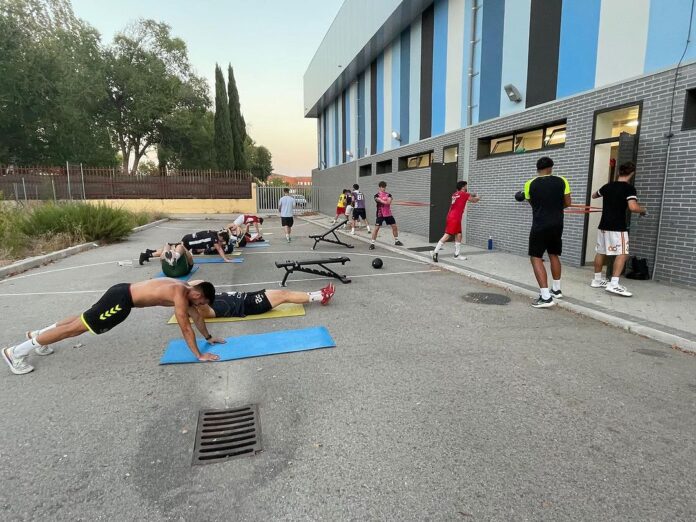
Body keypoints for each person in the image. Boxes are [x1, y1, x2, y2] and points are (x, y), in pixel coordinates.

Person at [3, 279, 223, 375]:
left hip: (121, 290)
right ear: (197, 293)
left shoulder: (184, 289)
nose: (201, 306)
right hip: (120, 301)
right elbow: (185, 326)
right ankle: (17, 352)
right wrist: (198, 355)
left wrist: (208, 337)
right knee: (76, 329)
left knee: (81, 319)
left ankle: (39, 335)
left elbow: (197, 318)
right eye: (202, 302)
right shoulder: (180, 294)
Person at [520, 156, 571, 308]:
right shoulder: (562, 180)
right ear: (551, 168)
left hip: (540, 225)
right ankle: (556, 289)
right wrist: (555, 207)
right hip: (557, 224)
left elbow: (532, 204)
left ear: (537, 169)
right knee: (553, 254)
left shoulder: (530, 184)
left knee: (535, 257)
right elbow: (568, 203)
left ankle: (546, 297)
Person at [590, 161, 646, 297]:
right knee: (623, 253)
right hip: (617, 227)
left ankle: (597, 280)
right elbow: (633, 207)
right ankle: (613, 284)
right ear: (631, 173)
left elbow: (594, 195)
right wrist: (643, 210)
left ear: (619, 172)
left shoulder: (607, 186)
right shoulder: (629, 189)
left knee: (601, 252)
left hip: (603, 226)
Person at [194, 283, 336, 320]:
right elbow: (203, 309)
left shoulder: (204, 298)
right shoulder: (204, 310)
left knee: (284, 294)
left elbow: (197, 284)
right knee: (283, 295)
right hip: (249, 305)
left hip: (247, 296)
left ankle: (319, 293)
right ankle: (321, 296)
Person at [431, 181, 481, 262]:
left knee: (459, 235)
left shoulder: (455, 194)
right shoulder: (464, 194)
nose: (466, 187)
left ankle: (456, 255)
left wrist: (473, 194)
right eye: (466, 186)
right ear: (463, 187)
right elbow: (474, 200)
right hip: (455, 218)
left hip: (452, 217)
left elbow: (468, 194)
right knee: (447, 235)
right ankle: (435, 252)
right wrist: (479, 197)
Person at [140, 230, 233, 264]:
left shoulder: (215, 233)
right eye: (222, 241)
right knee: (171, 251)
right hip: (188, 242)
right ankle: (147, 255)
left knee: (171, 248)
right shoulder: (215, 238)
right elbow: (219, 249)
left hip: (188, 239)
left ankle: (149, 252)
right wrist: (225, 259)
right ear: (220, 237)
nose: (221, 243)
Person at [369, 181, 403, 250]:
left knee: (394, 227)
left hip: (388, 214)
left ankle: (396, 240)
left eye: (384, 187)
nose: (383, 188)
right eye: (382, 187)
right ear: (379, 187)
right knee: (376, 229)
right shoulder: (376, 195)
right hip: (380, 214)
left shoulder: (388, 194)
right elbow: (378, 200)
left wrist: (386, 201)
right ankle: (372, 243)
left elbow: (389, 201)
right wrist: (384, 201)